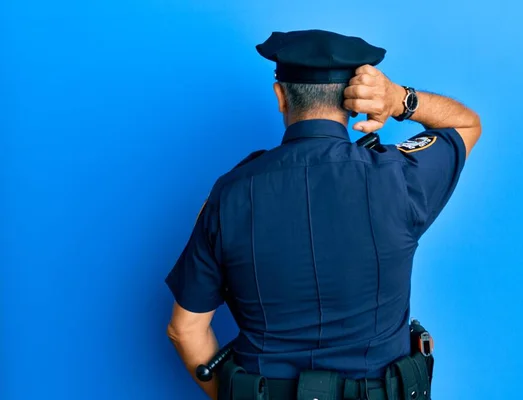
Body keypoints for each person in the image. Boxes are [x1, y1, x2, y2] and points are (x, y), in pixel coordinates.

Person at [165, 29, 481, 400]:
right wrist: (398, 100)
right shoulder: (400, 178)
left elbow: (184, 330)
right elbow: (465, 124)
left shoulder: (229, 194)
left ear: (280, 97)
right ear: (353, 101)